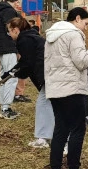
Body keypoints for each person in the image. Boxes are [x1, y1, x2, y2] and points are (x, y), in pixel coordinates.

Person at [44, 7, 88, 169]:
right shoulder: (74, 34)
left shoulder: (50, 37)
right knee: (78, 129)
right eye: (85, 24)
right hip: (73, 88)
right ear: (77, 19)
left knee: (61, 129)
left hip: (55, 88)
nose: (85, 28)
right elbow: (82, 62)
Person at [6, 17, 53, 149]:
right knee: (44, 104)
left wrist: (13, 74)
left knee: (45, 105)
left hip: (48, 75)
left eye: (9, 31)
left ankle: (47, 137)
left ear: (15, 30)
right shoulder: (31, 37)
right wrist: (9, 73)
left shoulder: (24, 40)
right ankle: (44, 136)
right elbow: (25, 63)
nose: (9, 34)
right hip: (48, 75)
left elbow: (27, 63)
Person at [0, 0, 22, 119]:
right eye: (17, 3)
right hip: (8, 46)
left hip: (0, 47)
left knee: (4, 76)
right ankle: (6, 108)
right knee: (11, 77)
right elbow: (12, 29)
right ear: (15, 2)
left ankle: (3, 106)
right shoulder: (9, 12)